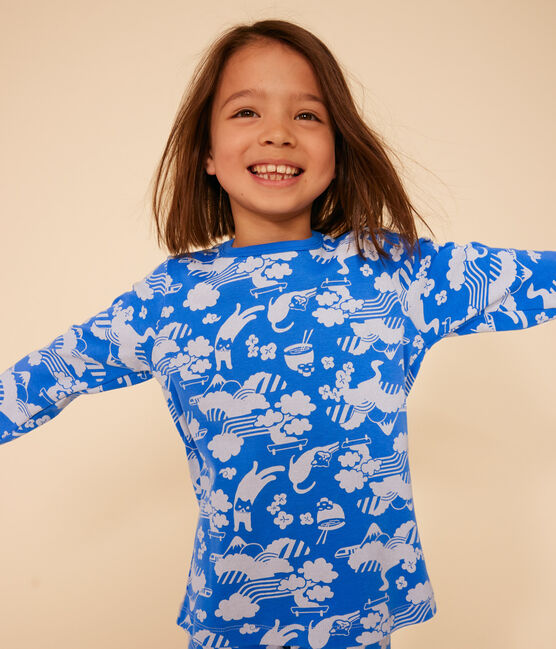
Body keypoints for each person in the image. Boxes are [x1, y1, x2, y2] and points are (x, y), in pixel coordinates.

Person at [1, 18, 555, 649]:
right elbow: (49, 374)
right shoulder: (171, 298)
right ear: (207, 154)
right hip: (231, 618)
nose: (277, 132)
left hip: (357, 615)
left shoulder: (394, 272)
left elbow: (535, 278)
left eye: (308, 115)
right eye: (246, 111)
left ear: (338, 149)